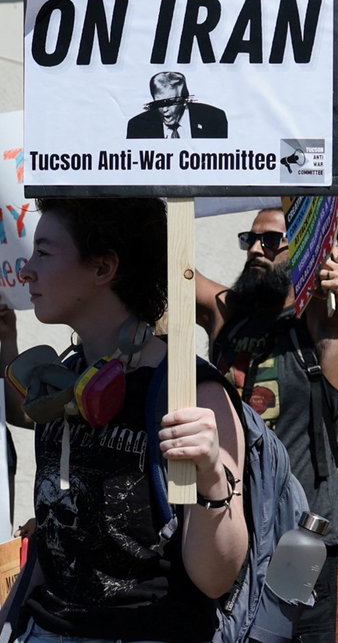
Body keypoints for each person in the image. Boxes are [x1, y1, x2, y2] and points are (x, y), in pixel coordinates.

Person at [8, 197, 247, 643]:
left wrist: (214, 474)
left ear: (103, 269)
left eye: (43, 252)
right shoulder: (62, 381)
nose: (26, 272)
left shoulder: (191, 392)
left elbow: (216, 579)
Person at [195, 206, 338, 643]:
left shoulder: (321, 324)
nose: (255, 248)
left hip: (304, 545)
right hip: (234, 538)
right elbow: (169, 265)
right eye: (249, 239)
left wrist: (325, 188)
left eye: (271, 241)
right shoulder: (228, 319)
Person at [126, 71, 229, 139]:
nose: (165, 109)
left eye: (170, 103)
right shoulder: (137, 127)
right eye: (159, 103)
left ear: (184, 100)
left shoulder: (214, 119)